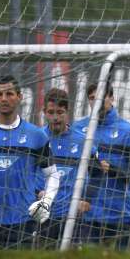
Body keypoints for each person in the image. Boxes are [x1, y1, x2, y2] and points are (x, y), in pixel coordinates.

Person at [73, 83, 130, 250]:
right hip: (86, 216)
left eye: (101, 97)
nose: (96, 102)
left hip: (118, 215)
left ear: (112, 98)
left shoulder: (129, 131)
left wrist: (113, 171)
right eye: (92, 98)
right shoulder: (78, 129)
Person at [0, 75, 61, 249]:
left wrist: (46, 202)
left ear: (20, 97)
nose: (4, 99)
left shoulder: (36, 135)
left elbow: (53, 174)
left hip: (22, 223)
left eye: (9, 94)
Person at [38, 88, 98, 249]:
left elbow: (97, 172)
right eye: (51, 112)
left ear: (68, 112)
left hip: (72, 216)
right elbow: (25, 173)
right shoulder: (36, 138)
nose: (56, 118)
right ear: (44, 112)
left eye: (60, 112)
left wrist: (87, 199)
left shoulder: (82, 140)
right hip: (41, 215)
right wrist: (36, 192)